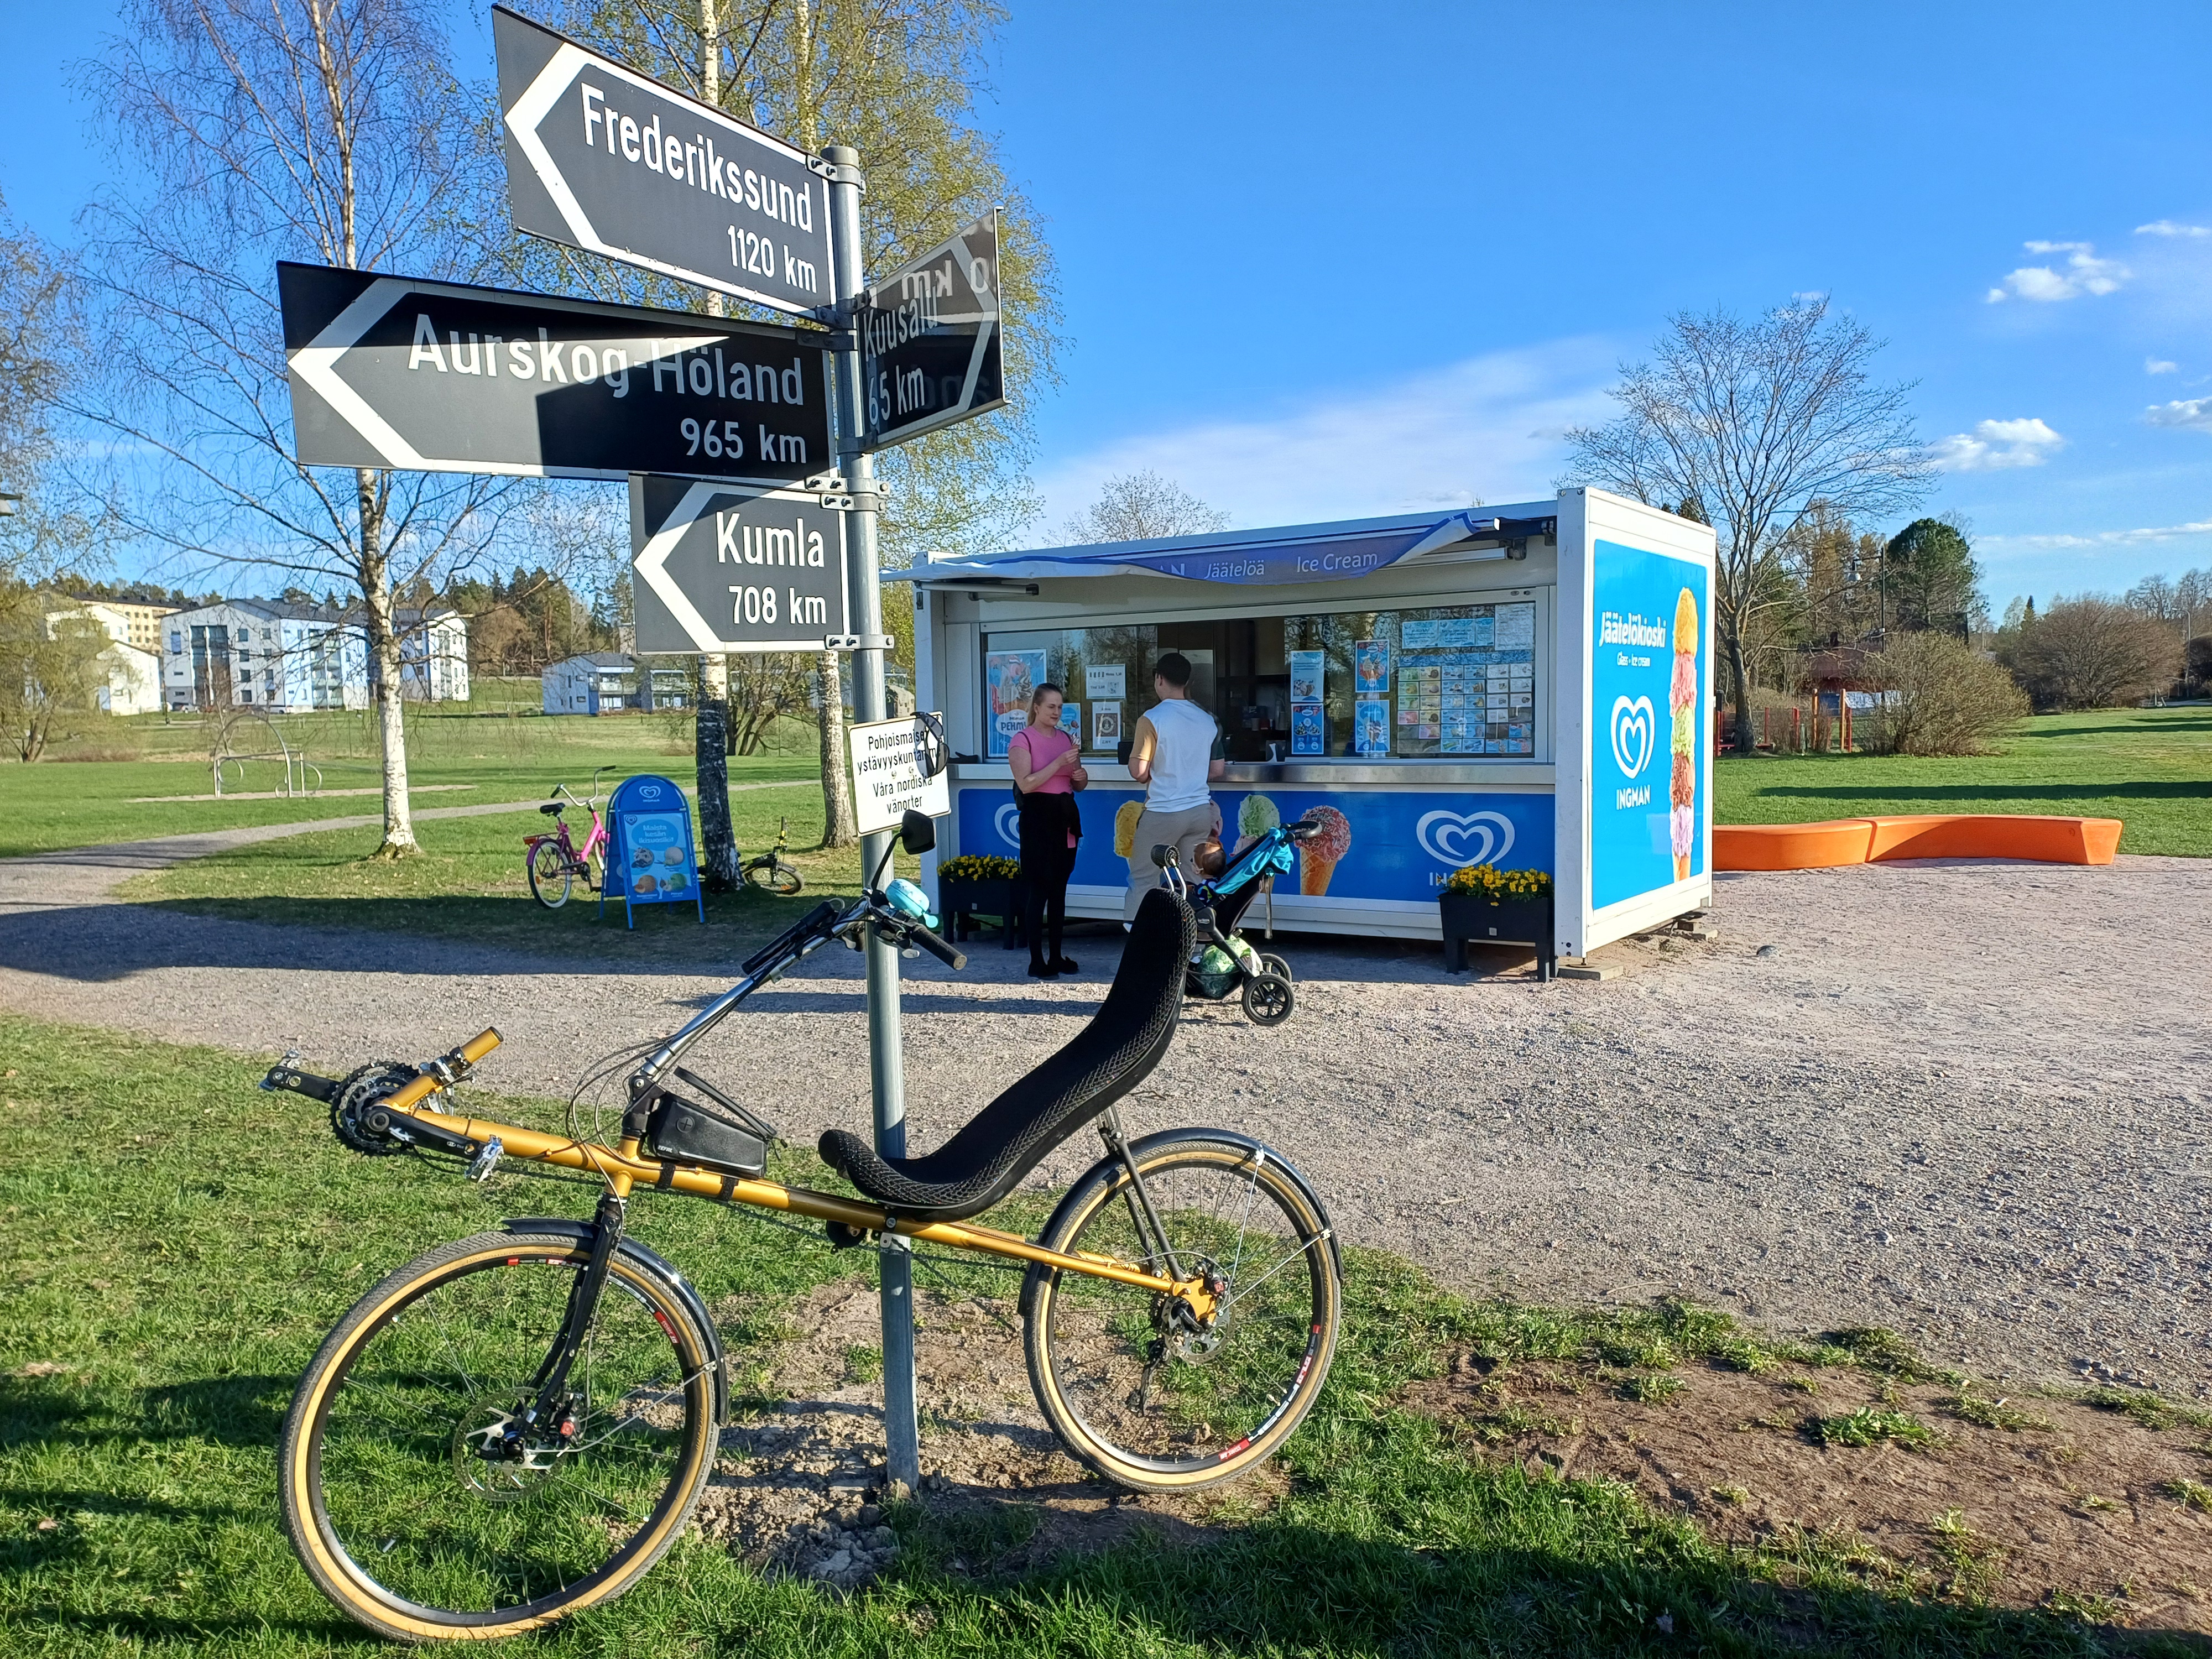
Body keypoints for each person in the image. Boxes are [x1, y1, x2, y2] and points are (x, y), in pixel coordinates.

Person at [1123, 651, 1224, 922]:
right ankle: (1196, 936)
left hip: (1163, 812)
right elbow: (1217, 770)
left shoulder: (1152, 719)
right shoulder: (1207, 719)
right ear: (1187, 682)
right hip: (1199, 812)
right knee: (1192, 877)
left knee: (1144, 878)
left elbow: (1138, 772)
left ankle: (1139, 939)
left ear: (1159, 678)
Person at [1008, 682, 1087, 979]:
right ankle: (1036, 960)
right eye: (1051, 707)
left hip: (1065, 818)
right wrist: (1058, 763)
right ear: (1037, 707)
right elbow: (1026, 784)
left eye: (1060, 707)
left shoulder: (1065, 739)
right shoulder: (1022, 740)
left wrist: (1081, 775)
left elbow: (1078, 783)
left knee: (1059, 890)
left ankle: (1056, 956)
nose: (1056, 712)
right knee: (1039, 890)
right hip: (1038, 820)